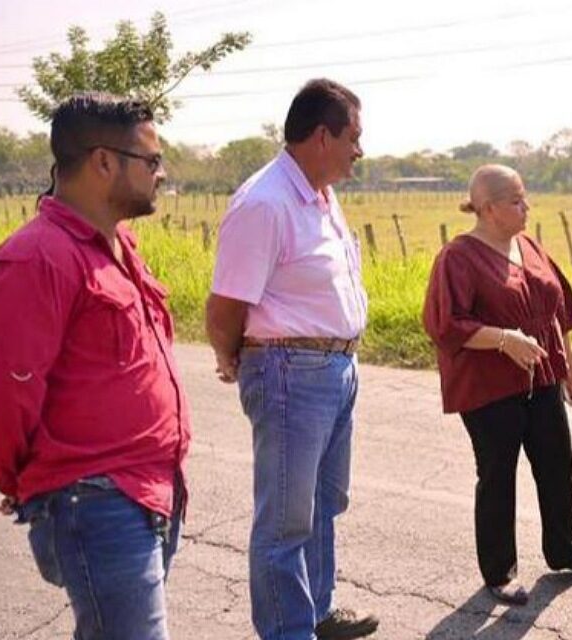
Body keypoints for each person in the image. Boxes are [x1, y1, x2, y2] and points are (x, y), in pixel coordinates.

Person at [0, 92, 189, 639]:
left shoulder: (117, 244)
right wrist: (19, 482)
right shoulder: (35, 258)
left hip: (146, 491)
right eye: (152, 160)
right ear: (103, 162)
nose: (161, 173)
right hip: (96, 501)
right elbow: (2, 396)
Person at [205, 78, 377, 640]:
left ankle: (317, 613)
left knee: (325, 503)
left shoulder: (322, 194)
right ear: (322, 136)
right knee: (285, 520)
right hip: (288, 370)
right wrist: (236, 360)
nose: (360, 149)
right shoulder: (265, 201)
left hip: (334, 368)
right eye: (354, 136)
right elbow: (227, 303)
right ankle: (286, 631)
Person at [422, 164, 572, 605]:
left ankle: (563, 551)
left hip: (541, 376)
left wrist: (568, 361)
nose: (527, 207)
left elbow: (558, 303)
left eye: (526, 197)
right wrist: (504, 339)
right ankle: (499, 572)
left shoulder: (528, 245)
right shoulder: (458, 257)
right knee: (498, 475)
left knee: (556, 464)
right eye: (516, 200)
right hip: (490, 387)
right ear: (487, 208)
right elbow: (446, 323)